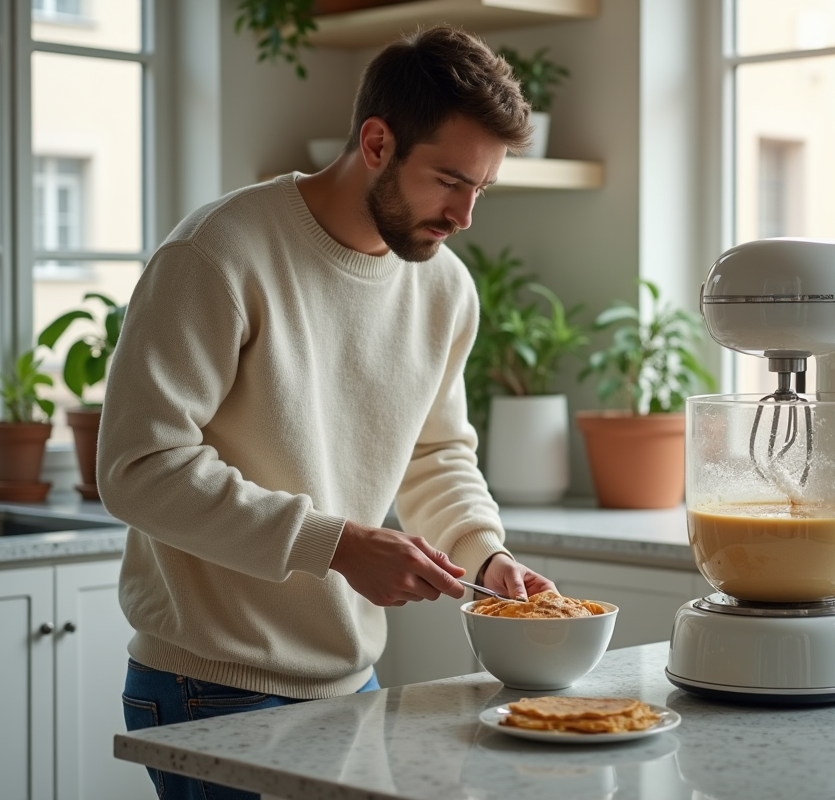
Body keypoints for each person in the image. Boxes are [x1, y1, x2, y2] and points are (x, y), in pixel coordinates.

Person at [98, 25, 554, 800]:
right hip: (209, 687)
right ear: (377, 142)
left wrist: (486, 555)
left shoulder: (444, 290)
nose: (466, 215)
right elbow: (138, 469)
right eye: (449, 180)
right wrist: (334, 544)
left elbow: (434, 454)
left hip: (352, 680)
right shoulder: (219, 253)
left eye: (482, 188)